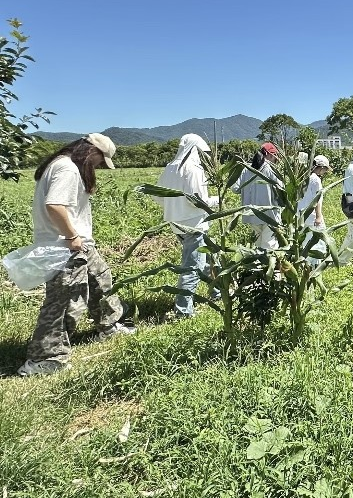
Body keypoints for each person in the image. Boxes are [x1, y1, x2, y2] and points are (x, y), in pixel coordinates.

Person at [18, 134, 135, 377]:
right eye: (100, 161)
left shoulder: (62, 165)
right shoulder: (67, 168)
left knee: (100, 279)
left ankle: (108, 325)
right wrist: (72, 238)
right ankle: (44, 358)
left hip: (78, 244)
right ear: (91, 151)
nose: (98, 166)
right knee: (65, 301)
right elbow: (55, 206)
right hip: (65, 247)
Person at [155, 134, 219, 318]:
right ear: (195, 150)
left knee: (210, 260)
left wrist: (175, 207)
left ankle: (216, 293)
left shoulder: (170, 168)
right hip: (195, 225)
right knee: (192, 267)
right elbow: (197, 201)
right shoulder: (193, 169)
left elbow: (158, 195)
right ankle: (183, 311)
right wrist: (217, 200)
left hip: (177, 224)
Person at [232, 142, 281, 249]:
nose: (275, 159)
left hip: (252, 214)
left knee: (258, 246)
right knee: (270, 246)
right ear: (269, 154)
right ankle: (268, 266)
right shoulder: (271, 170)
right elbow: (281, 191)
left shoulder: (246, 169)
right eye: (275, 155)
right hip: (270, 215)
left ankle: (259, 265)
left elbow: (235, 188)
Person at [297, 154, 333, 265]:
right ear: (321, 168)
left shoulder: (303, 177)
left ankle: (304, 262)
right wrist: (319, 216)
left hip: (300, 214)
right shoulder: (315, 179)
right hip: (311, 215)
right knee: (318, 238)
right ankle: (315, 263)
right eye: (325, 169)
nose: (325, 172)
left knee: (305, 239)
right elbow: (316, 200)